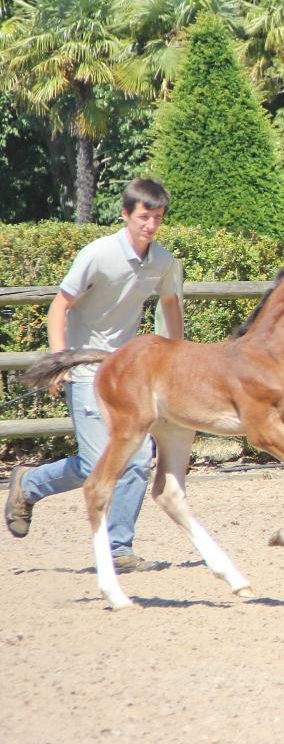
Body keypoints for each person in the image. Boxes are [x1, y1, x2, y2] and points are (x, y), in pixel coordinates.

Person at [4, 177, 183, 573]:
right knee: (96, 464)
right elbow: (59, 307)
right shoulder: (98, 254)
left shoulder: (162, 262)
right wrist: (61, 361)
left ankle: (119, 549)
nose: (151, 225)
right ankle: (28, 484)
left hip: (128, 375)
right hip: (85, 369)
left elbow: (170, 304)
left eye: (157, 218)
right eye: (144, 217)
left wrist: (177, 358)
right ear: (125, 214)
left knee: (138, 458)